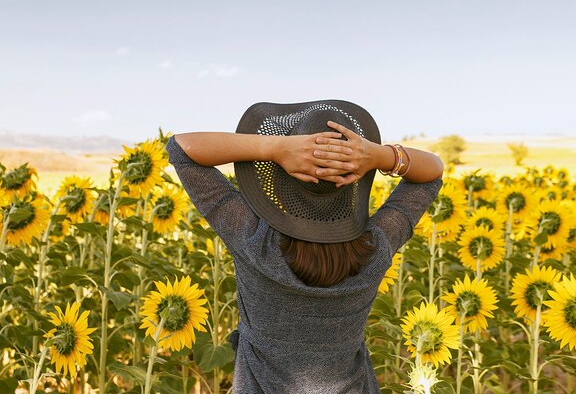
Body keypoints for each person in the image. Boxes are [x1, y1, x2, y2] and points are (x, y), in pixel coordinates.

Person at [165, 99, 444, 394]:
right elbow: (431, 174)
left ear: (276, 179)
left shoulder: (254, 241)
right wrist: (379, 156)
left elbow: (182, 149)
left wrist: (274, 149)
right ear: (355, 179)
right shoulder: (374, 247)